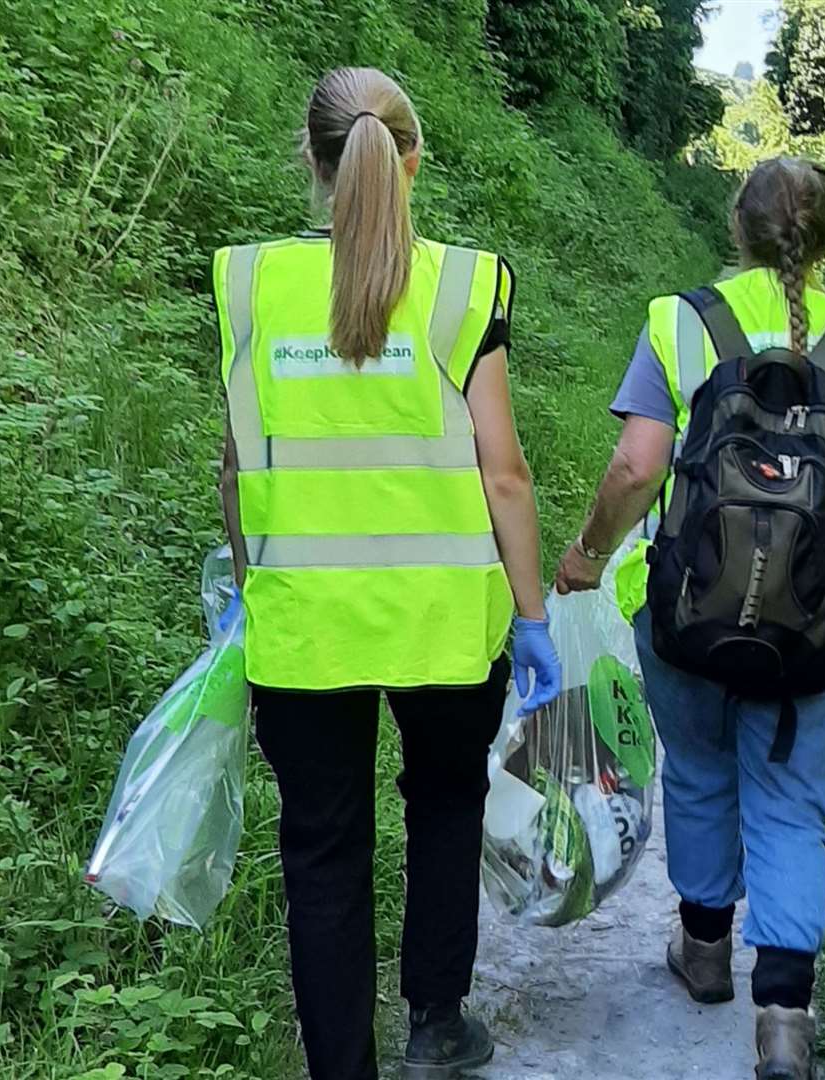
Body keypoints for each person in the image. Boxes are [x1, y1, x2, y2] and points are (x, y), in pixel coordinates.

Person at [213, 67, 561, 1080]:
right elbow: (505, 473)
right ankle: (437, 1028)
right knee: (445, 805)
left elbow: (239, 464)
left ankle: (340, 1068)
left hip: (303, 623)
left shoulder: (250, 283)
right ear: (412, 162)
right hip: (443, 623)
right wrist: (532, 615)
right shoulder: (465, 284)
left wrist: (245, 586)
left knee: (322, 847)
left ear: (311, 162)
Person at [555, 157, 825, 1079]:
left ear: (737, 228)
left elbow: (638, 468)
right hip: (820, 631)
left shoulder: (681, 322)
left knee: (701, 771)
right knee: (793, 805)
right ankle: (787, 1019)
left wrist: (590, 554)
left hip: (687, 613)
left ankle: (706, 951)